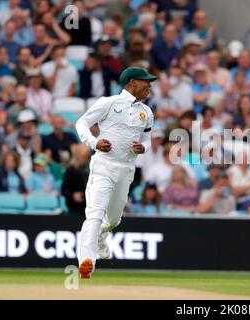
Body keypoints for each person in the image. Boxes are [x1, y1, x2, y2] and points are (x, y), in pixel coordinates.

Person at [75, 67, 157, 279]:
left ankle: (101, 237)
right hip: (103, 166)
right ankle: (87, 262)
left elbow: (147, 139)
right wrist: (94, 142)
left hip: (126, 169)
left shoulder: (146, 112)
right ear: (132, 83)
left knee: (113, 220)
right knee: (94, 213)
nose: (149, 85)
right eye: (145, 81)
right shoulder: (108, 103)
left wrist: (144, 148)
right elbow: (81, 122)